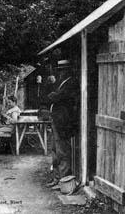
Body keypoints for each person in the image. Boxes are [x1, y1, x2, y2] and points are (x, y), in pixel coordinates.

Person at [44, 59, 79, 187]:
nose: (61, 73)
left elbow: (55, 97)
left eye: (63, 70)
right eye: (60, 70)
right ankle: (57, 177)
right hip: (56, 120)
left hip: (63, 121)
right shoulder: (61, 83)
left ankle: (64, 180)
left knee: (62, 151)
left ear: (68, 71)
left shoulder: (70, 83)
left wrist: (54, 95)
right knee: (54, 150)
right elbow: (51, 96)